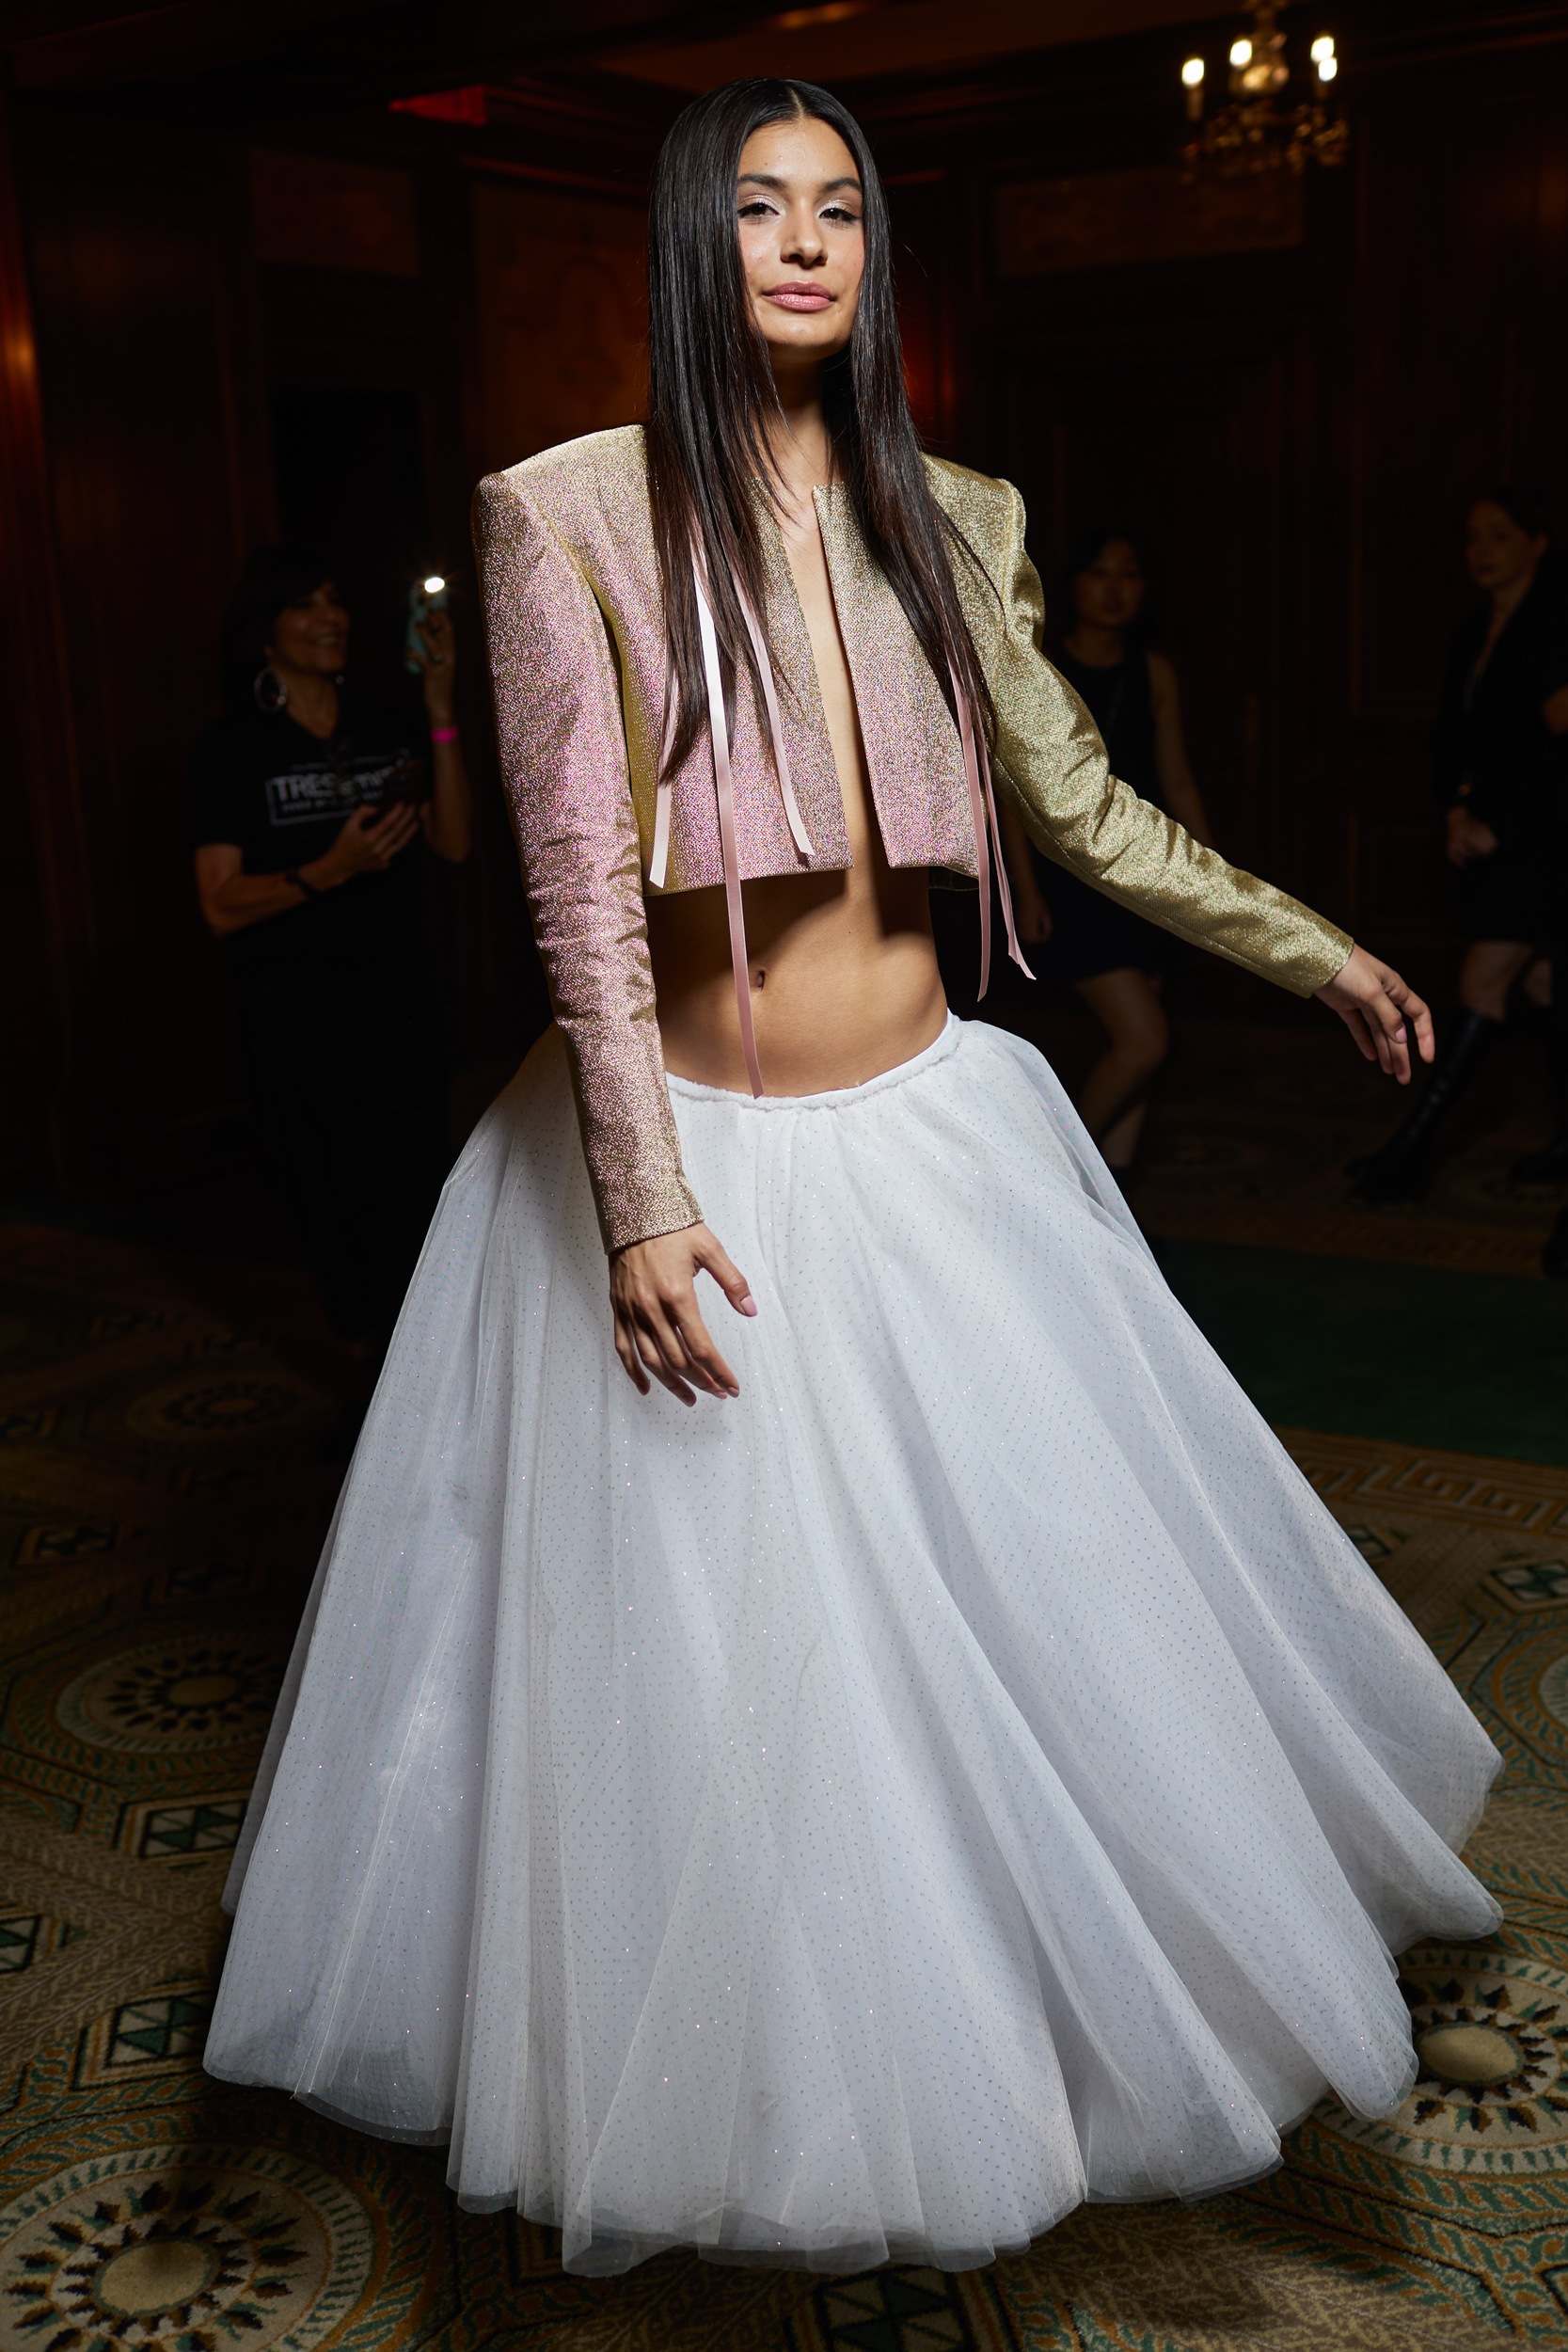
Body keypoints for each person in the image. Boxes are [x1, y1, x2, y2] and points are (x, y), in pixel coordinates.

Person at [205, 82, 1499, 2277]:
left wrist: (1315, 950)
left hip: (932, 1139)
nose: (802, 242)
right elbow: (581, 917)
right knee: (721, 1677)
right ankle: (794, 2083)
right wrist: (631, 1202)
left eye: (840, 210)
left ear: (873, 256)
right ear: (686, 249)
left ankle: (1028, 2018)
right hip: (691, 1159)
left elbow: (1080, 811)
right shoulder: (568, 514)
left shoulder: (959, 510)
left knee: (1025, 1611)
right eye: (753, 207)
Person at [191, 546, 474, 1359]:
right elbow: (217, 903)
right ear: (265, 632)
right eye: (305, 606)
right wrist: (328, 871)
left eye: (335, 601)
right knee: (332, 1194)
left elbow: (452, 842)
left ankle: (418, 1382)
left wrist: (439, 703)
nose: (331, 618)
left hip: (397, 998)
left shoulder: (381, 728)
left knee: (416, 1187)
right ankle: (368, 1382)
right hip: (295, 1011)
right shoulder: (234, 748)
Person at [1350, 490, 1568, 1202]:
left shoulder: (1554, 623)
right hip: (1488, 836)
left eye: (1499, 535)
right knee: (1540, 985)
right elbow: (1451, 737)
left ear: (1537, 543)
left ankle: (1410, 1151)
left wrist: (1501, 826)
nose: (1480, 548)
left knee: (1483, 986)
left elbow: (1556, 752)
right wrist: (1453, 813)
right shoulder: (1473, 628)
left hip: (1541, 840)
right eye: (1472, 536)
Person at [1000, 527, 1212, 1188]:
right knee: (1144, 1039)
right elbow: (1011, 791)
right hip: (1070, 878)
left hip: (1144, 868)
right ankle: (1060, 1179)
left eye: (1128, 574)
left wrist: (1210, 880)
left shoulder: (1154, 671)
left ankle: (1115, 1199)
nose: (1114, 588)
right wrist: (1024, 889)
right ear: (1070, 585)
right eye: (1099, 573)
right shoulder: (1041, 668)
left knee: (1138, 1050)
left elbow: (1175, 779)